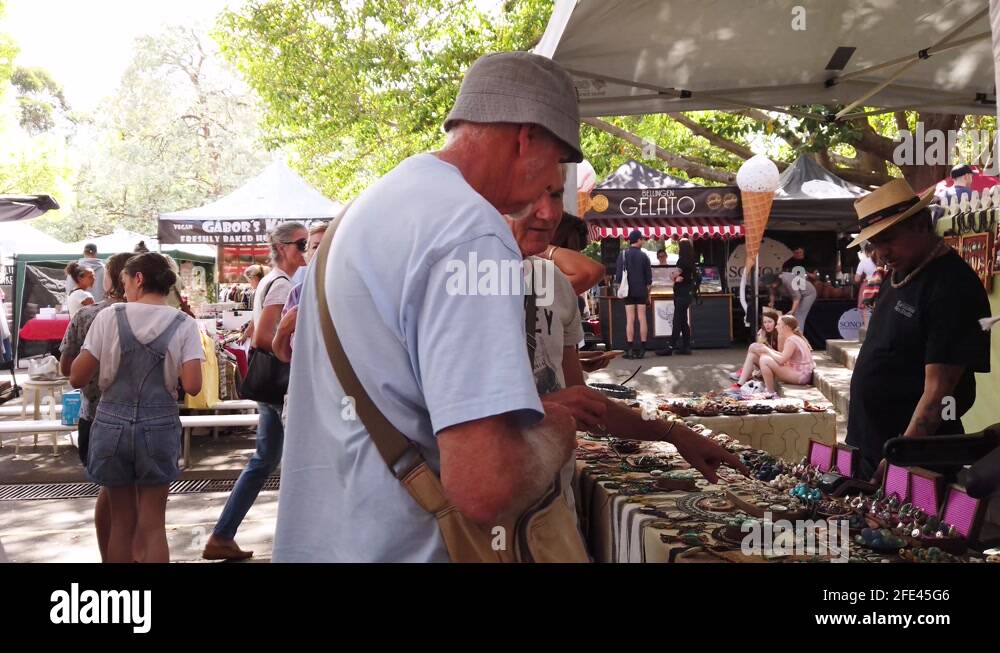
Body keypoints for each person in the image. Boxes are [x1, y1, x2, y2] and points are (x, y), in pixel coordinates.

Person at [273, 51, 585, 562]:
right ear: (528, 136)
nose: (554, 181)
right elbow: (484, 484)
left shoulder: (367, 207)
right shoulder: (472, 229)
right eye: (557, 161)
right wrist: (557, 430)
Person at [509, 166, 745, 510]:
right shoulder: (457, 284)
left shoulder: (554, 283)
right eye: (530, 195)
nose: (547, 212)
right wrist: (546, 409)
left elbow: (581, 400)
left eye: (556, 195)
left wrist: (673, 433)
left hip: (553, 502)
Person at [845, 178, 991, 480]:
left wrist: (904, 454)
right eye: (875, 243)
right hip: (872, 447)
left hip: (914, 459)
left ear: (922, 225)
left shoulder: (951, 285)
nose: (881, 252)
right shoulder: (899, 273)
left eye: (889, 239)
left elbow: (939, 391)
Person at [69, 253, 204, 563]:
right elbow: (193, 384)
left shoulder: (108, 316)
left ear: (139, 279)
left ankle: (125, 603)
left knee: (122, 523)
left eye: (125, 281)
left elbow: (77, 376)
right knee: (153, 524)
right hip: (159, 426)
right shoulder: (184, 323)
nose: (123, 289)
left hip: (111, 423)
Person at [204, 222, 307, 560]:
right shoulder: (281, 284)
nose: (306, 251)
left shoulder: (270, 281)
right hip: (281, 384)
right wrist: (295, 343)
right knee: (303, 462)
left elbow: (254, 328)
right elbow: (264, 336)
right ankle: (302, 541)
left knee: (264, 460)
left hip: (269, 386)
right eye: (302, 244)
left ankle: (223, 534)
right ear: (283, 248)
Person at [59, 252, 134, 562]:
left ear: (109, 280)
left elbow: (67, 370)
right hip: (148, 418)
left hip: (98, 417)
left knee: (112, 493)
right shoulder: (160, 316)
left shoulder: (87, 317)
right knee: (144, 501)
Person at [272, 221, 331, 363]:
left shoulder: (354, 293)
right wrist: (283, 330)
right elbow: (284, 356)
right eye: (316, 246)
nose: (321, 251)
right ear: (307, 255)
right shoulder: (297, 294)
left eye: (328, 245)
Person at [741, 315, 814, 394]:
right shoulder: (793, 338)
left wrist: (767, 350)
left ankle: (770, 393)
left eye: (778, 324)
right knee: (760, 354)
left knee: (764, 360)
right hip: (801, 373)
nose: (776, 327)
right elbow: (783, 356)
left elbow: (782, 360)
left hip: (801, 376)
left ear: (786, 327)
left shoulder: (791, 340)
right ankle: (741, 384)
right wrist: (767, 350)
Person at [616, 230, 652, 359]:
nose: (643, 241)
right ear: (637, 240)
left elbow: (619, 277)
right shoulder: (644, 256)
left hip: (628, 291)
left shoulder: (623, 255)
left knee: (630, 319)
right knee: (642, 318)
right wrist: (648, 294)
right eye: (641, 239)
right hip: (641, 291)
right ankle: (642, 349)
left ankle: (630, 349)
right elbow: (649, 280)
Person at [731, 308, 782, 384]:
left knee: (753, 347)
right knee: (752, 353)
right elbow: (761, 351)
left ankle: (746, 372)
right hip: (768, 362)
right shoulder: (766, 333)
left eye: (770, 322)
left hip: (778, 366)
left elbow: (781, 357)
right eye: (765, 322)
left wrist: (764, 345)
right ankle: (740, 383)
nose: (767, 325)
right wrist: (761, 338)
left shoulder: (780, 335)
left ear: (776, 322)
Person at [669, 238, 696, 355]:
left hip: (680, 294)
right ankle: (686, 346)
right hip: (688, 293)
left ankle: (671, 345)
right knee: (684, 321)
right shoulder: (691, 260)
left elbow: (674, 275)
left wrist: (673, 277)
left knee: (677, 320)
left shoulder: (681, 261)